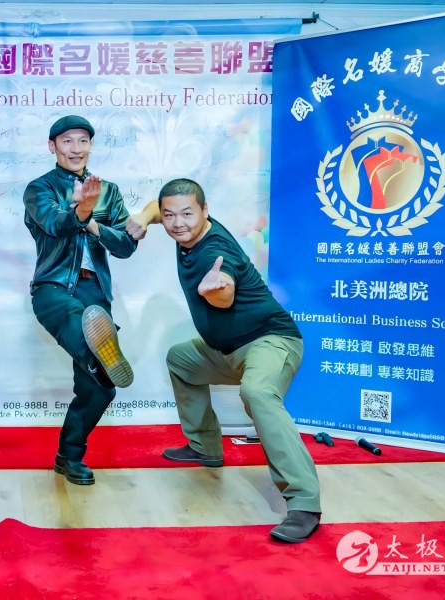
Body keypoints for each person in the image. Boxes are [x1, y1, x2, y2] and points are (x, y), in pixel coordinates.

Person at [127, 178, 321, 543]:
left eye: (187, 214)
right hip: (224, 350)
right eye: (169, 216)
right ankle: (204, 446)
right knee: (181, 359)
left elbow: (225, 293)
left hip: (270, 342)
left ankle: (304, 502)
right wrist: (144, 215)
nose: (177, 223)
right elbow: (159, 205)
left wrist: (215, 291)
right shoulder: (184, 226)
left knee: (257, 393)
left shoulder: (214, 250)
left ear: (205, 211)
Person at [23, 115, 138, 485]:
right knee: (81, 325)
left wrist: (93, 222)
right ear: (52, 146)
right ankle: (101, 350)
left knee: (101, 387)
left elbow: (125, 246)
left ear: (90, 145)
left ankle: (69, 456)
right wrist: (81, 211)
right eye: (67, 141)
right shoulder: (38, 189)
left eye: (83, 141)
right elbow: (55, 224)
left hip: (95, 292)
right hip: (54, 288)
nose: (76, 148)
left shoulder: (110, 191)